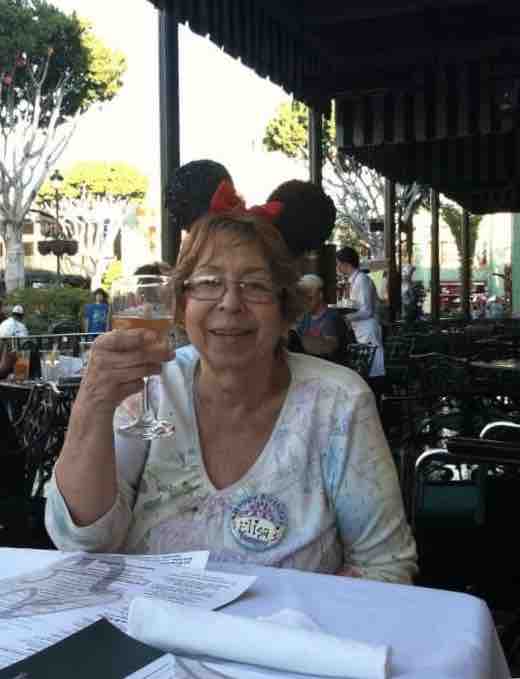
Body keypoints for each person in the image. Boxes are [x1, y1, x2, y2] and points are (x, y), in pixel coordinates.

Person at [46, 209, 417, 584]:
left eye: (255, 285)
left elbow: (384, 565)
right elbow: (82, 541)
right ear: (182, 304)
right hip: (146, 616)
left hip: (289, 622)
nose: (230, 303)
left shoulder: (339, 401)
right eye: (208, 282)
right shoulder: (151, 387)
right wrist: (91, 404)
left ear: (284, 308)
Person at [336, 247, 385, 400]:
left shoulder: (362, 280)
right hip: (361, 330)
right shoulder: (354, 280)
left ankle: (377, 403)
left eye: (338, 263)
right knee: (367, 369)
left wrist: (346, 318)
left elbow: (367, 311)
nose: (337, 267)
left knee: (372, 371)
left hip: (368, 329)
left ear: (345, 264)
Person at [295, 274, 346, 363]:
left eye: (309, 298)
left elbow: (329, 348)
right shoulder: (305, 317)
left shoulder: (332, 317)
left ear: (320, 295)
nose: (305, 302)